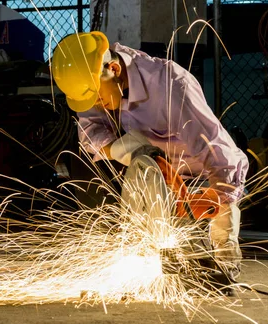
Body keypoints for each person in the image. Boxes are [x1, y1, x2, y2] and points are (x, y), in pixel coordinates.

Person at [51, 31, 249, 279]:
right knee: (99, 165)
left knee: (214, 257)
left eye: (98, 97)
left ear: (114, 68)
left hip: (203, 177)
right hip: (158, 174)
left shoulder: (171, 85)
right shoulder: (94, 81)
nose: (97, 105)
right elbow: (89, 132)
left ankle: (224, 256)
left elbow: (221, 156)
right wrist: (122, 149)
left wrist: (217, 200)